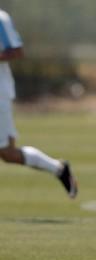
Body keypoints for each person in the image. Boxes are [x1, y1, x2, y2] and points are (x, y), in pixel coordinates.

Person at [0, 8, 77, 199]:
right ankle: (58, 169)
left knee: (8, 153)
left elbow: (16, 50)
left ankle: (58, 169)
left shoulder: (1, 18)